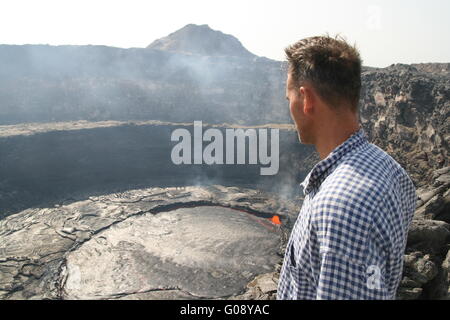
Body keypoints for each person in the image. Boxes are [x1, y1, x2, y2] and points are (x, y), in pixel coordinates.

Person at [277, 35, 416, 300]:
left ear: (306, 99)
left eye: (289, 99)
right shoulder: (390, 169)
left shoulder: (340, 208)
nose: (289, 109)